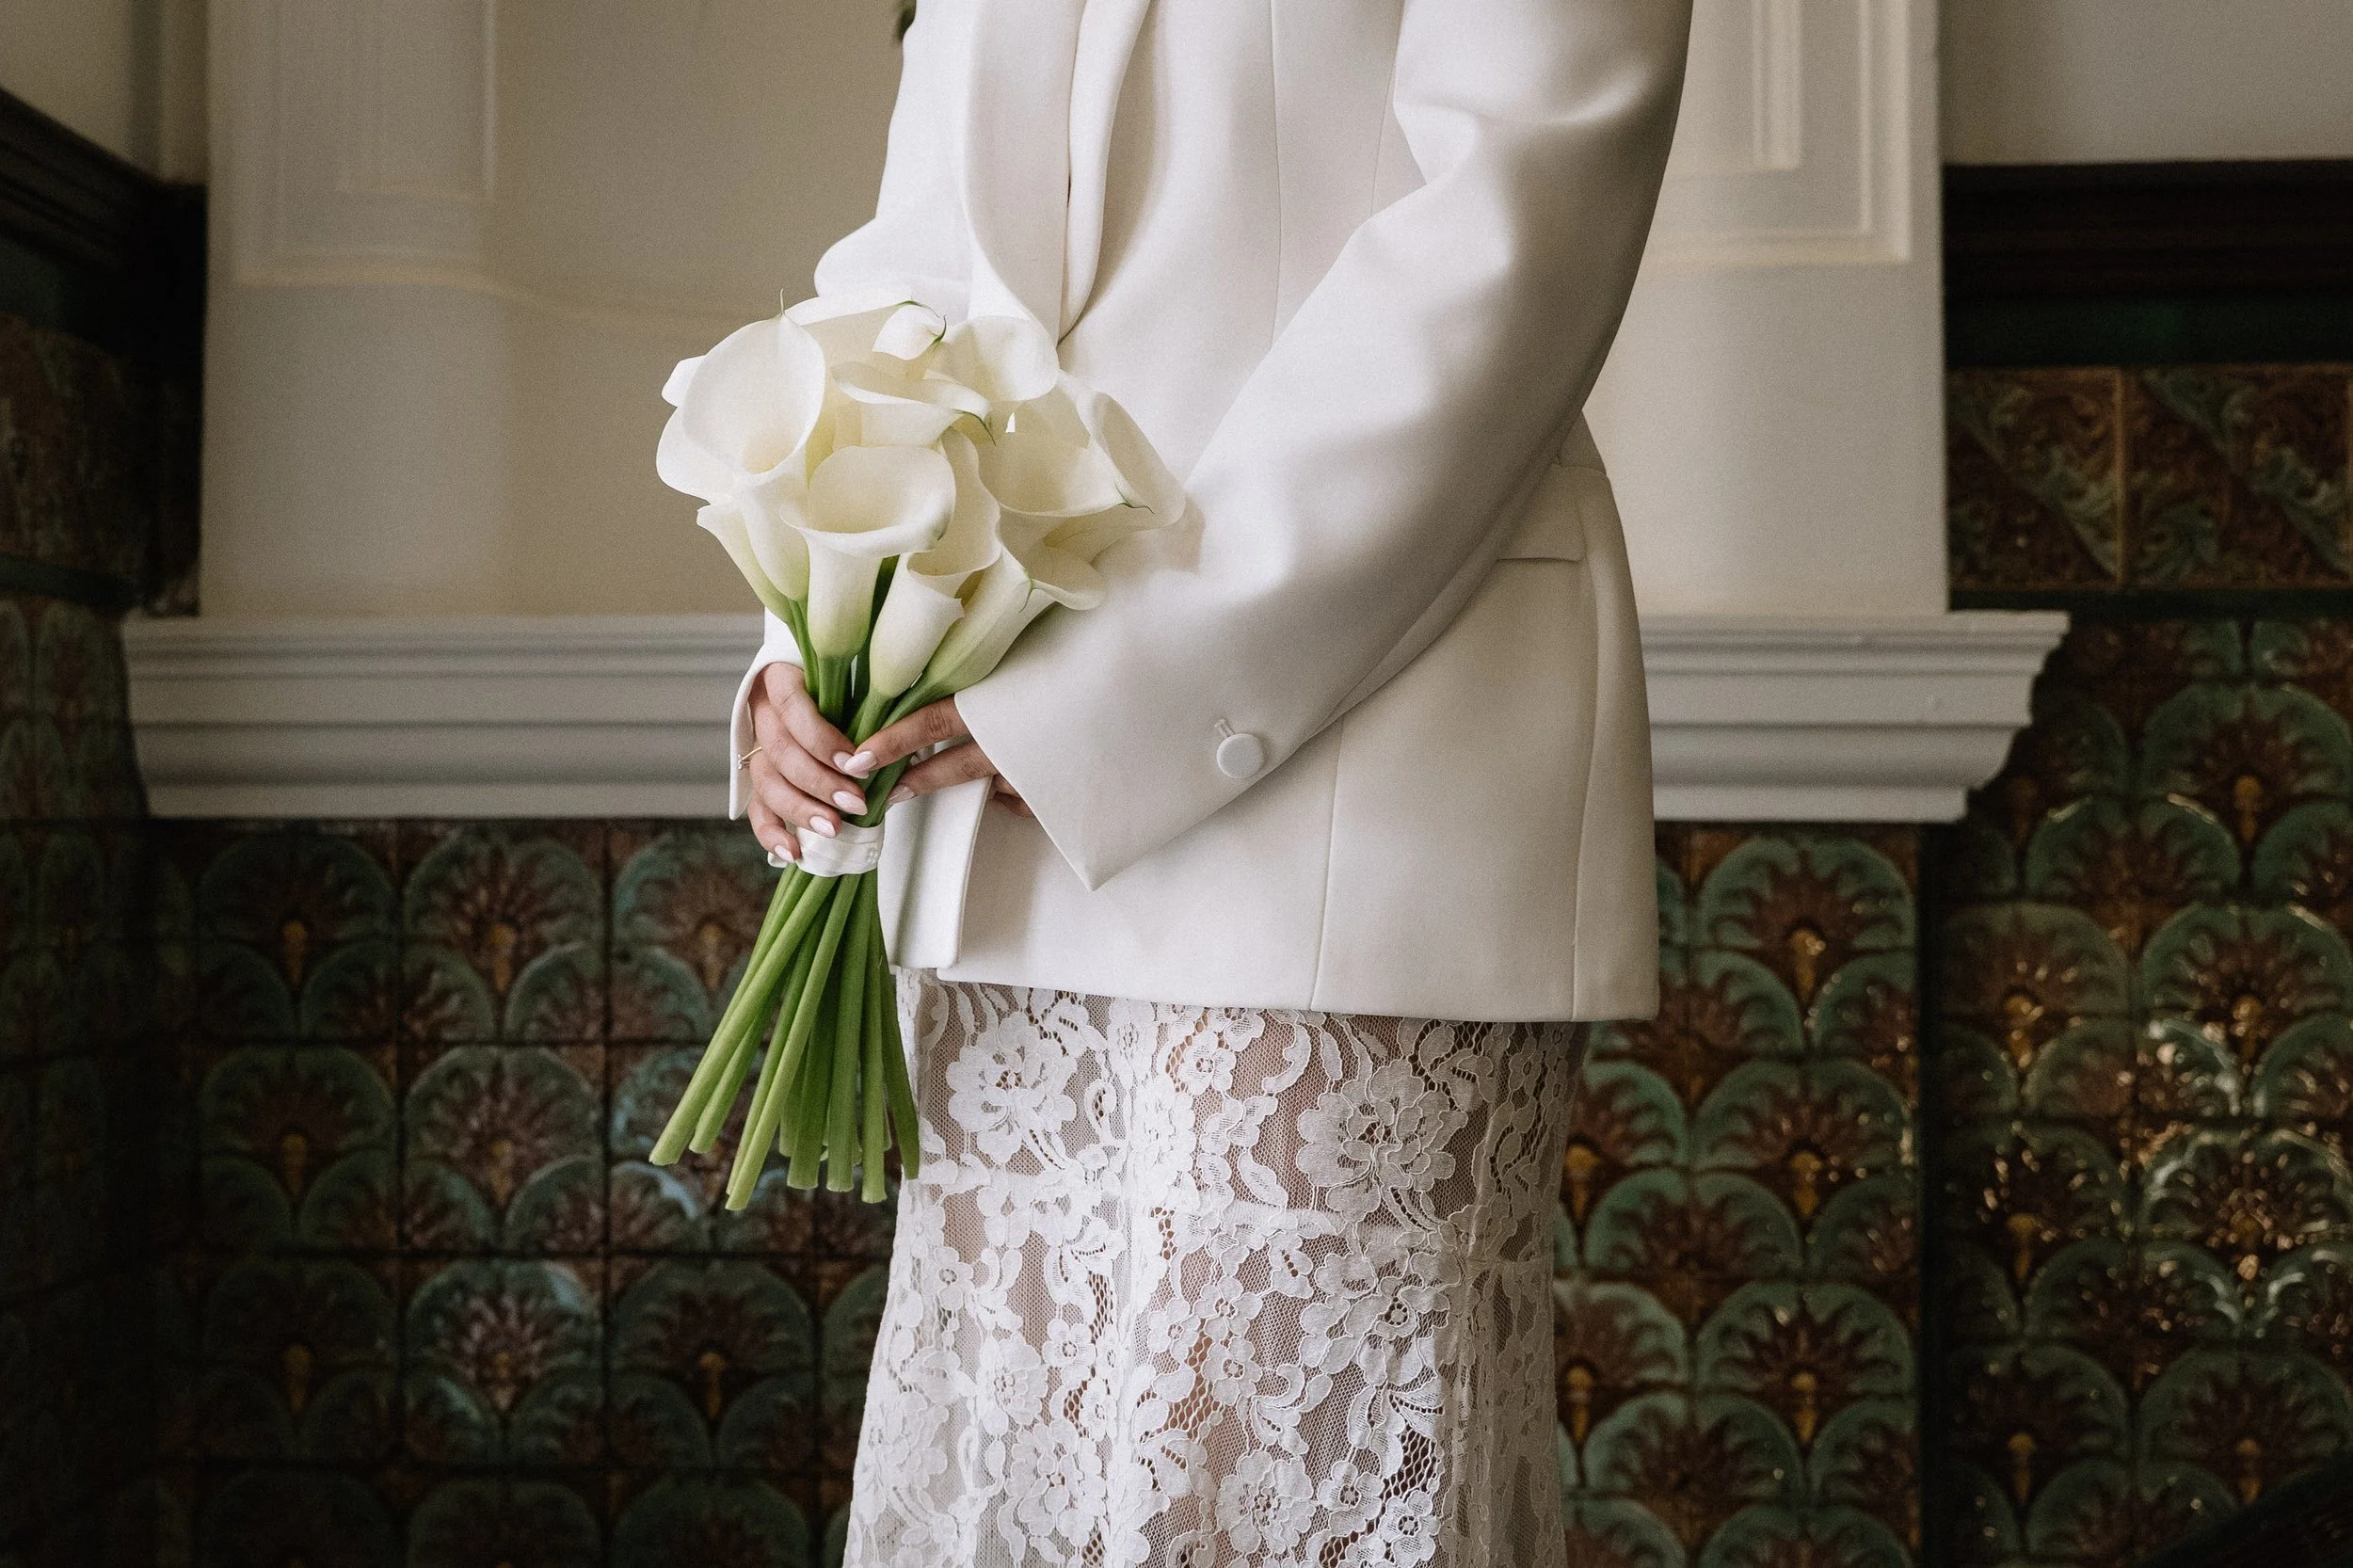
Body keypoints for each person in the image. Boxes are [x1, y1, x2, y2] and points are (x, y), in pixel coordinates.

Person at [728, 2, 1691, 1563]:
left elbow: (1515, 228)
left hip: (1371, 764)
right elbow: (920, 265)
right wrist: (816, 634)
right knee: (1013, 1495)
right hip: (992, 812)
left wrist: (1111, 696)